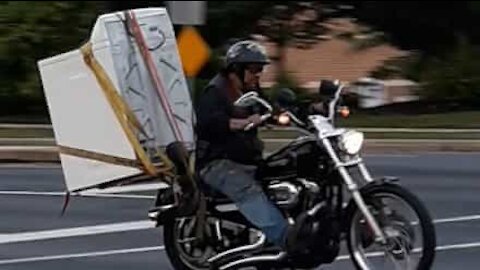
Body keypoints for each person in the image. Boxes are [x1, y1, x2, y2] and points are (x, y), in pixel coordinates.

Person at [194, 40, 289, 249]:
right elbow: (207, 123)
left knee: (287, 170)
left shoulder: (251, 91)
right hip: (217, 163)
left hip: (245, 159)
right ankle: (287, 240)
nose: (258, 75)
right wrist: (241, 123)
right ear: (236, 69)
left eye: (260, 70)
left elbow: (267, 109)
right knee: (247, 190)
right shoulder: (216, 91)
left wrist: (289, 113)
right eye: (254, 70)